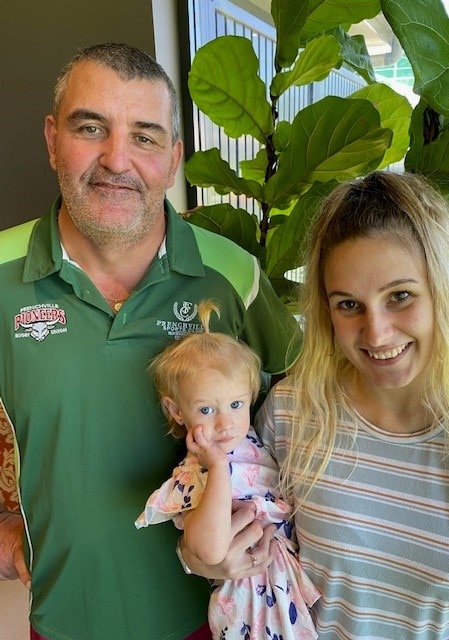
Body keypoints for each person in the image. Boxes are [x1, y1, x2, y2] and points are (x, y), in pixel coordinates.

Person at [0, 43, 302, 640]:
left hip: (219, 618)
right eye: (92, 128)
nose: (117, 159)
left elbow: (309, 408)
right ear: (53, 138)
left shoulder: (233, 276)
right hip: (64, 620)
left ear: (173, 158)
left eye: (144, 136)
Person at [254, 170, 449, 639]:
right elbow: (252, 565)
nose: (376, 334)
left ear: (445, 290)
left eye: (400, 296)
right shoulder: (292, 414)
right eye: (348, 305)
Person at [135, 300, 319, 640]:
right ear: (176, 411)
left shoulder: (252, 439)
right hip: (246, 602)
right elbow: (209, 551)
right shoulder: (198, 473)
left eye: (236, 404)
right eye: (206, 409)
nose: (224, 423)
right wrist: (218, 468)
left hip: (283, 585)